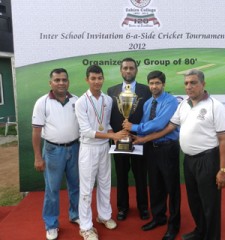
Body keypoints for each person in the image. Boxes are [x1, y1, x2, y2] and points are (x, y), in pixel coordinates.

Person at [133, 69, 225, 240]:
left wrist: (223, 169)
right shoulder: (183, 104)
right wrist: (144, 139)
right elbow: (169, 127)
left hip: (207, 159)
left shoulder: (216, 106)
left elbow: (223, 139)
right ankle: (200, 231)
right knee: (194, 199)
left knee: (210, 203)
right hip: (189, 160)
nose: (189, 86)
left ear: (203, 84)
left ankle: (211, 236)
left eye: (193, 83)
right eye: (186, 83)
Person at [123, 70, 181, 240]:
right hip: (150, 148)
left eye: (157, 83)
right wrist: (133, 134)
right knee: (155, 186)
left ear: (163, 84)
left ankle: (174, 225)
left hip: (167, 148)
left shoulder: (171, 101)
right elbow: (145, 123)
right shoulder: (148, 102)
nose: (154, 86)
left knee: (172, 188)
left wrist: (133, 127)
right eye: (151, 83)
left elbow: (158, 124)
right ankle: (159, 217)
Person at [75, 65, 127, 240]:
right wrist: (112, 134)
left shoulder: (108, 100)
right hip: (88, 148)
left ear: (103, 79)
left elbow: (106, 124)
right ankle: (86, 227)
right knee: (87, 188)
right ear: (87, 80)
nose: (97, 81)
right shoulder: (81, 102)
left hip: (104, 147)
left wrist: (116, 136)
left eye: (99, 78)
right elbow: (87, 131)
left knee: (105, 183)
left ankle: (104, 216)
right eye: (93, 78)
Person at [32, 68, 80, 240]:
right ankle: (51, 224)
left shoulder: (76, 100)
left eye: (64, 80)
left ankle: (75, 215)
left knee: (76, 186)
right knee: (52, 189)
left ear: (68, 82)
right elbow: (36, 132)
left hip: (75, 148)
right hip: (53, 151)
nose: (61, 83)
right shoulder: (42, 102)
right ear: (50, 83)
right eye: (57, 80)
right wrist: (38, 157)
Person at [107, 57, 151, 221]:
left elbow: (148, 115)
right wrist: (115, 135)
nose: (128, 71)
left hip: (139, 139)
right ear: (121, 70)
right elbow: (109, 116)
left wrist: (140, 134)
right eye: (125, 68)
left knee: (140, 175)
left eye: (131, 68)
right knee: (121, 175)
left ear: (136, 70)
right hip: (119, 141)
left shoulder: (146, 90)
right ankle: (122, 207)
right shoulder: (111, 91)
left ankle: (143, 207)